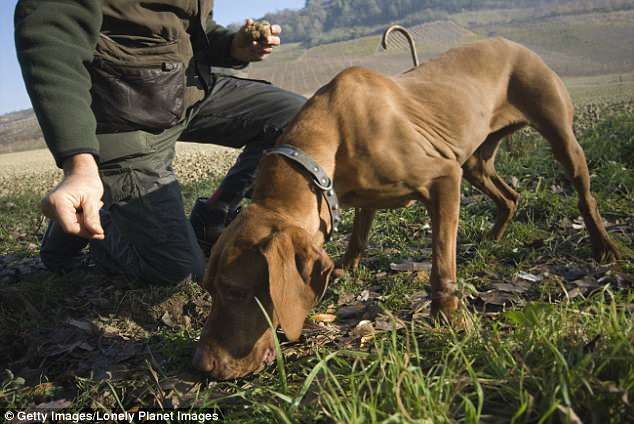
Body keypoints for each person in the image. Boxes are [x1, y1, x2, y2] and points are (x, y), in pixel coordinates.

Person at [14, 0, 305, 285]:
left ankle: (214, 212)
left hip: (188, 92)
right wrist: (79, 164)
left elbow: (181, 27)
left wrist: (232, 46)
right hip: (126, 119)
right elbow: (49, 35)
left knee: (302, 121)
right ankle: (91, 216)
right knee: (181, 273)